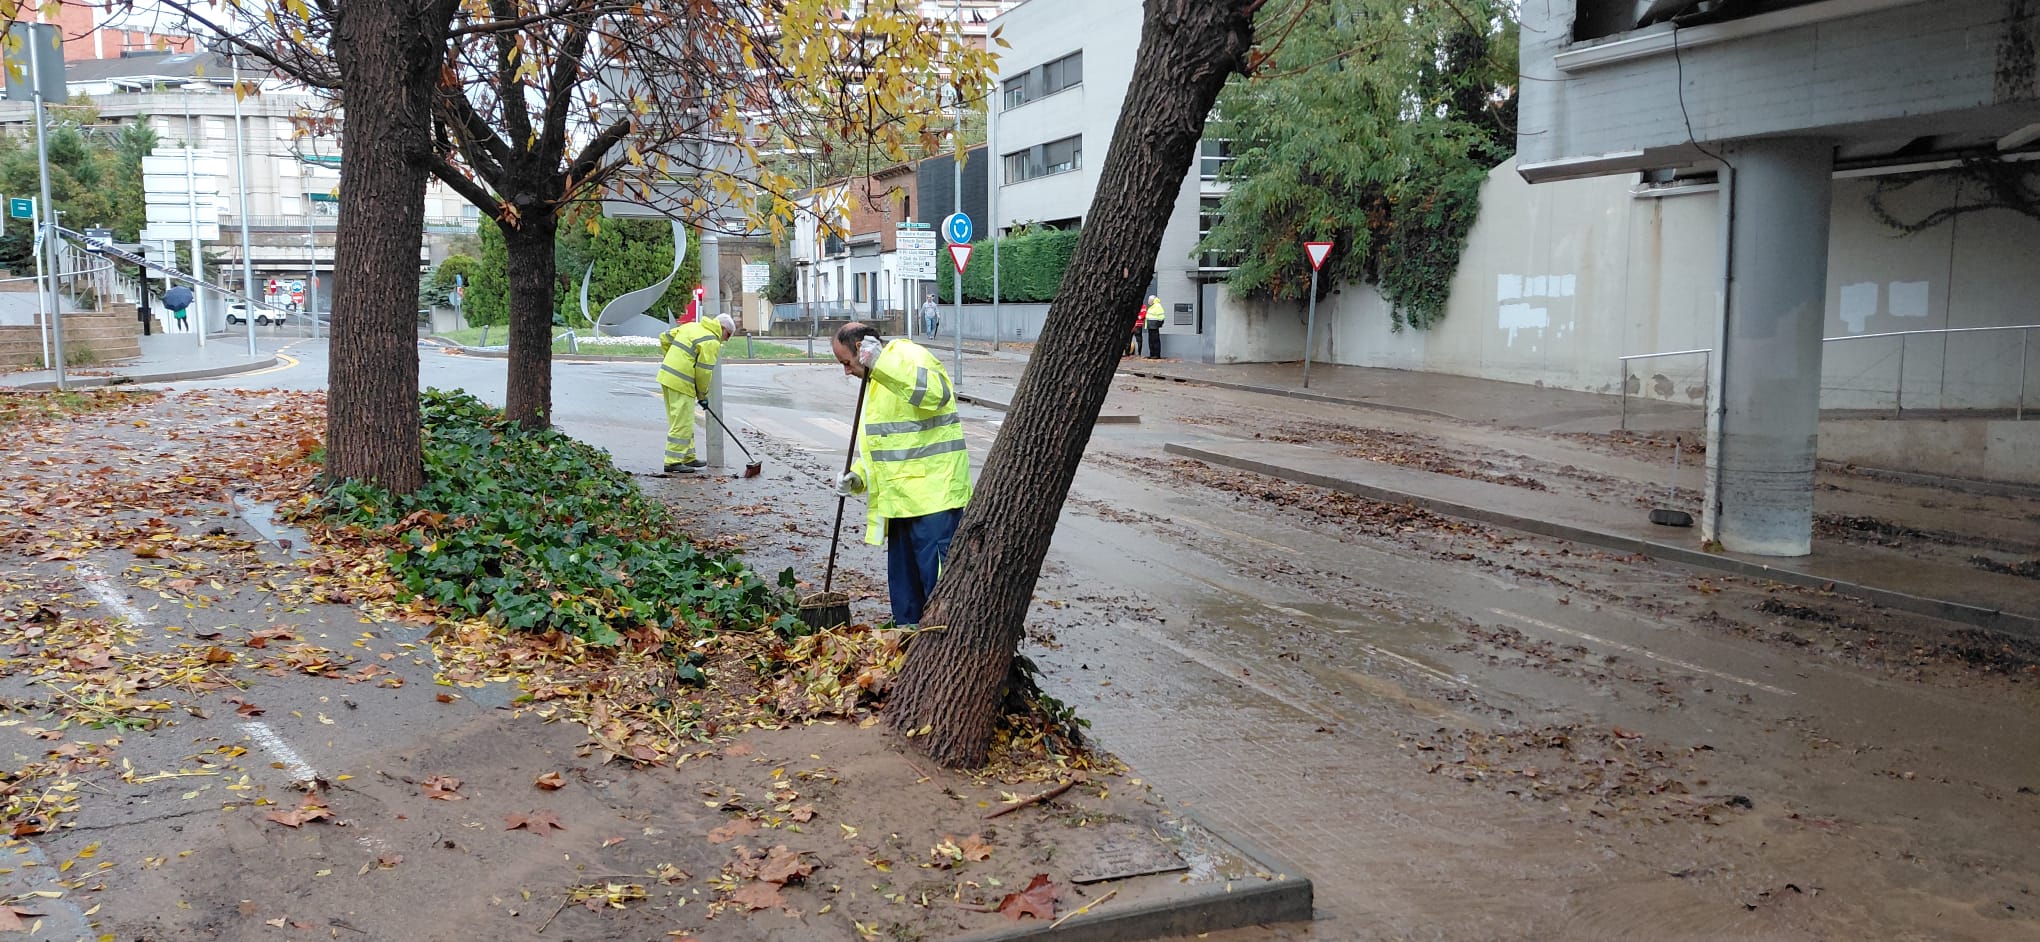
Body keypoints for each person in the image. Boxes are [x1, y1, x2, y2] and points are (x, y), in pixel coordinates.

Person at [829, 321, 971, 626]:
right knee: (907, 600)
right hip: (902, 503)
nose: (846, 371)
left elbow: (937, 394)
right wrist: (858, 477)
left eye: (846, 362)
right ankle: (909, 654)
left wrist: (881, 364)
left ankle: (942, 654)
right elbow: (887, 445)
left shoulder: (908, 356)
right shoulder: (878, 381)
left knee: (940, 596)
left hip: (934, 500)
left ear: (860, 349)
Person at [655, 313, 734, 473]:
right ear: (723, 328)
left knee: (682, 419)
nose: (726, 340)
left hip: (667, 376)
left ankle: (687, 457)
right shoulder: (711, 341)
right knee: (682, 422)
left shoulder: (692, 326)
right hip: (681, 382)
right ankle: (672, 461)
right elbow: (703, 374)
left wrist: (670, 358)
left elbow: (664, 337)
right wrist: (702, 395)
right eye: (728, 335)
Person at [1144, 294, 1166, 359]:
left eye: (1149, 300)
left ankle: (1156, 355)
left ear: (1152, 300)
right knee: (1151, 341)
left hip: (1154, 326)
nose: (1148, 302)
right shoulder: (1153, 306)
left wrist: (1158, 324)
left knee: (1155, 341)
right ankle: (1152, 354)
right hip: (1151, 326)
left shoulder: (1157, 306)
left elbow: (1161, 317)